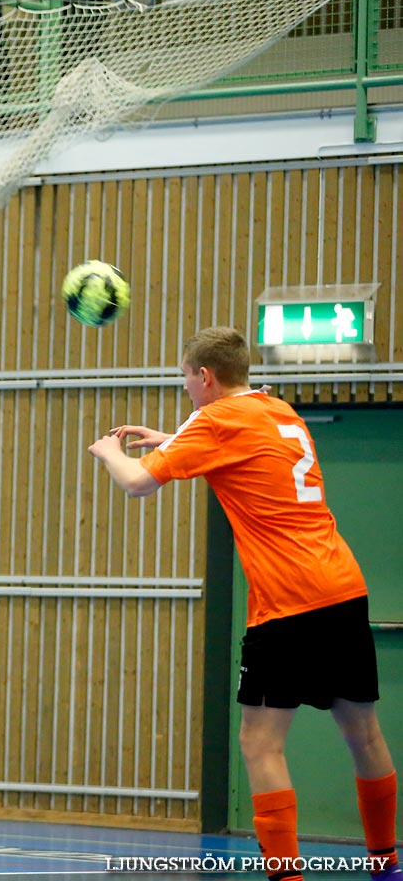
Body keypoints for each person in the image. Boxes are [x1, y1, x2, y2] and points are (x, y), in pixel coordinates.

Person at [88, 327, 403, 881]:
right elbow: (244, 451)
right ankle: (387, 863)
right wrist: (170, 437)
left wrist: (110, 451)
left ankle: (285, 875)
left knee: (259, 744)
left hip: (287, 601)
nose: (186, 389)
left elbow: (138, 485)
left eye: (185, 379)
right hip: (343, 588)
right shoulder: (280, 413)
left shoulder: (214, 421)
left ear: (204, 376)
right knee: (365, 735)